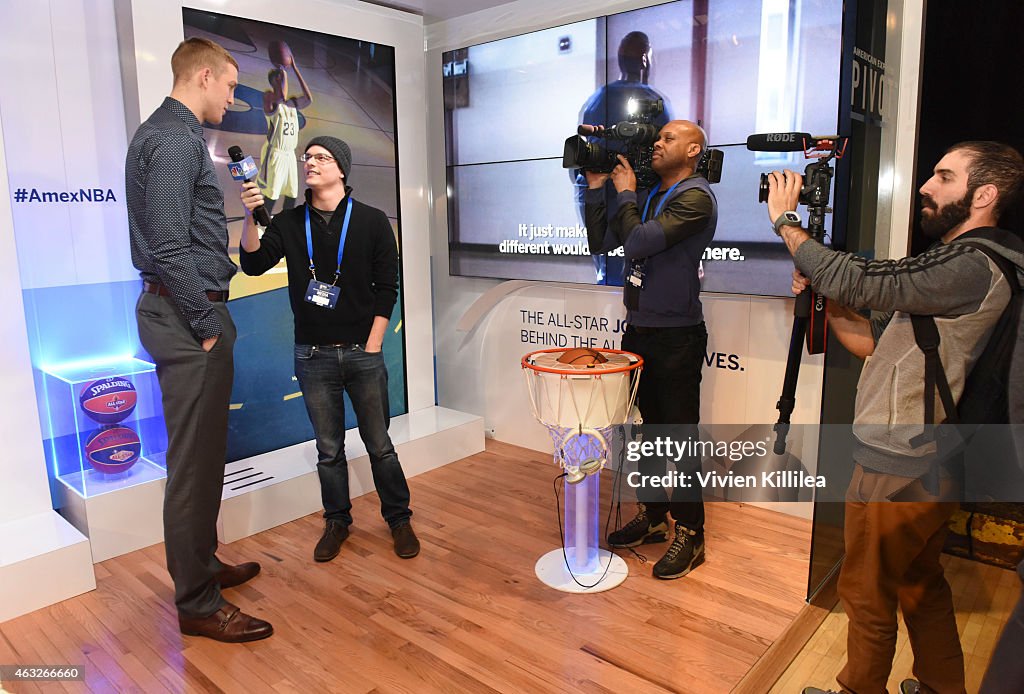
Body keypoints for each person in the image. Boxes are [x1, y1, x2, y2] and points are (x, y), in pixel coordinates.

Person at [765, 141, 1024, 694]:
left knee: (864, 591)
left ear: (984, 195)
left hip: (899, 462)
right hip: (929, 459)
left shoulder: (973, 264)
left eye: (943, 177)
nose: (927, 187)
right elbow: (877, 342)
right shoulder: (971, 265)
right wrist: (826, 298)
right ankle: (938, 685)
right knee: (919, 583)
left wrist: (789, 226)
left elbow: (864, 281)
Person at [127, 37, 272, 643]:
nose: (233, 98)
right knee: (191, 467)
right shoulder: (170, 137)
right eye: (231, 86)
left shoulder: (179, 136)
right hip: (188, 322)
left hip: (193, 318)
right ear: (205, 75)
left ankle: (203, 564)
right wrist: (208, 327)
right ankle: (196, 602)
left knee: (206, 457)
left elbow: (184, 232)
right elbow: (166, 245)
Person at [238, 136, 419, 563]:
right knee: (329, 449)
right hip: (313, 355)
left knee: (380, 444)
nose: (310, 162)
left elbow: (387, 288)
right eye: (308, 157)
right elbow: (253, 263)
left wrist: (373, 343)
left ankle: (399, 518)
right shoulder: (288, 222)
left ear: (342, 168)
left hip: (362, 352)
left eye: (321, 157)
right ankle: (337, 520)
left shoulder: (373, 221)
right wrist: (250, 217)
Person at [583, 120, 717, 580]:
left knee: (677, 436)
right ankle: (655, 516)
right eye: (657, 138)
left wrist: (625, 193)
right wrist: (599, 188)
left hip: (677, 336)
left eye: (668, 139)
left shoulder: (696, 197)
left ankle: (692, 532)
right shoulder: (652, 194)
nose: (658, 144)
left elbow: (638, 240)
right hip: (639, 332)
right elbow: (602, 241)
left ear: (693, 149)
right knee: (645, 434)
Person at [576, 31, 672, 284]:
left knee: (611, 267)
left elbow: (584, 153)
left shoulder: (598, 98)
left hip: (610, 199)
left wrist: (589, 189)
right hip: (632, 201)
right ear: (645, 60)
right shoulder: (657, 102)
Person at [257, 53, 312, 216]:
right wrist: (284, 73)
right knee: (271, 196)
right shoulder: (269, 98)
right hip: (275, 155)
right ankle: (260, 228)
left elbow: (308, 98)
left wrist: (294, 68)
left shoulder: (292, 104)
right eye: (279, 79)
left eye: (282, 78)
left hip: (289, 155)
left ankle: (285, 229)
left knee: (292, 195)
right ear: (273, 82)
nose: (282, 80)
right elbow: (280, 96)